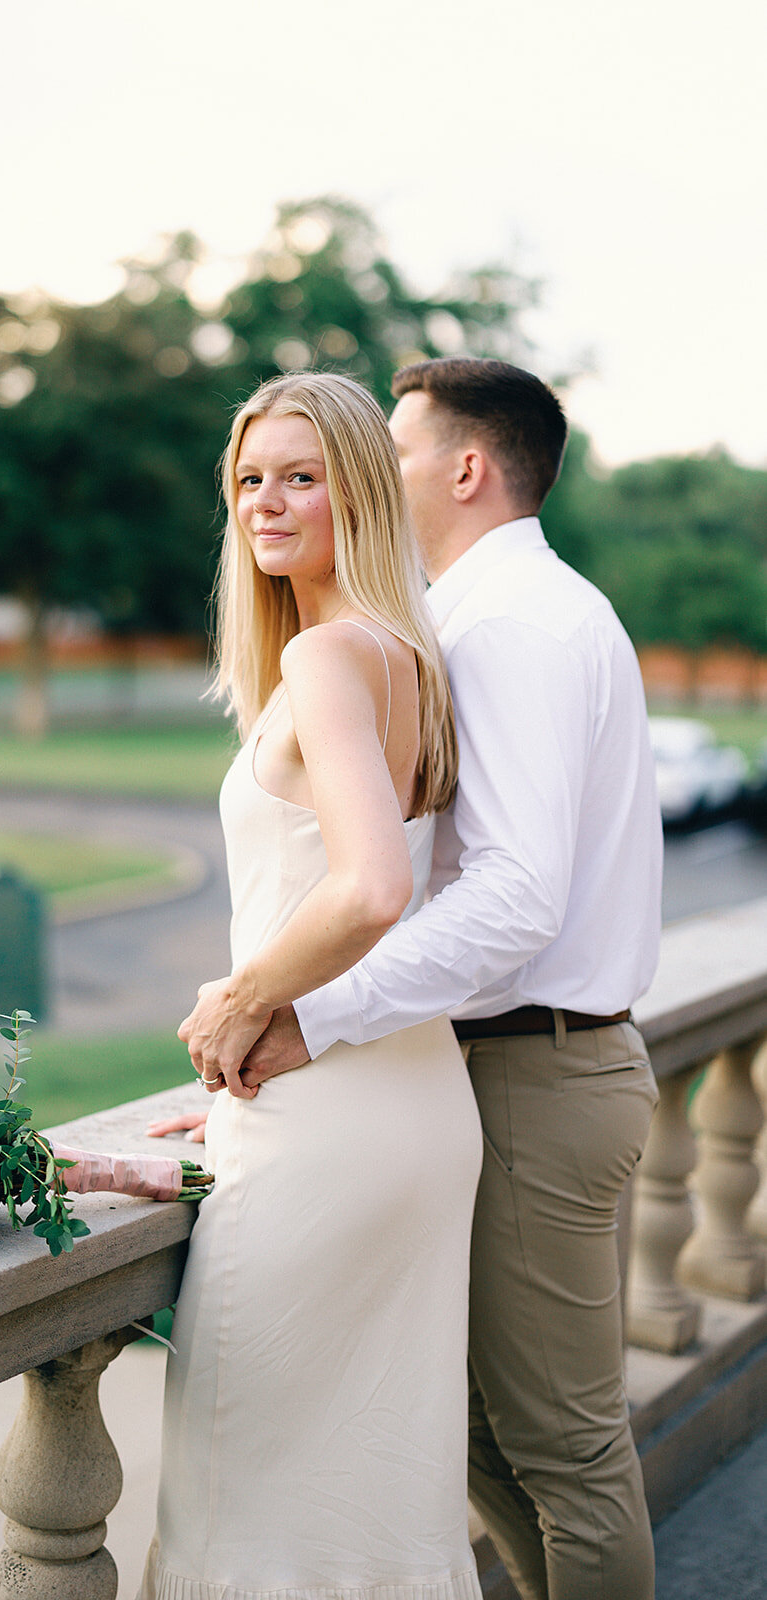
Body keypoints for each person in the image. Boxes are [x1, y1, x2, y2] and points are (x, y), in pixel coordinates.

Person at [164, 358, 662, 1600]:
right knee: (450, 1444)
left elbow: (491, 893)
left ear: (463, 468)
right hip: (457, 1072)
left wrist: (279, 1014)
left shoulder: (502, 628)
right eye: (250, 479)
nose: (274, 500)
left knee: (555, 1446)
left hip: (532, 1067)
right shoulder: (435, 638)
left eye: (349, 464)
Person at [139, 370, 484, 1600]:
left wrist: (238, 1002)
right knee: (370, 1494)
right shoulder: (405, 654)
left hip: (330, 1121)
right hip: (406, 1106)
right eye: (246, 479)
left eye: (300, 476)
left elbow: (369, 888)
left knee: (247, 1492)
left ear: (357, 492)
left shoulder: (337, 655)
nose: (265, 503)